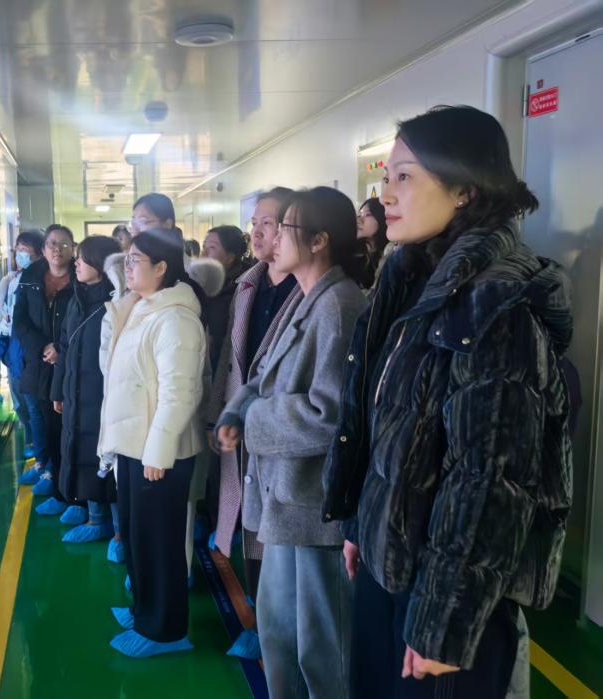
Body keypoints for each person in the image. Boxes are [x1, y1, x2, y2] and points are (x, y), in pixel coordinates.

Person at [322, 105, 573, 698]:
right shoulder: (412, 284)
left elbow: (489, 480)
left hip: (447, 594)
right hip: (396, 564)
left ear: (464, 189)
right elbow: (389, 432)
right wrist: (363, 523)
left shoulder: (496, 306)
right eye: (386, 177)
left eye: (405, 176)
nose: (385, 194)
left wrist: (445, 620)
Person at [215, 188, 366, 696]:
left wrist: (252, 419)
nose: (272, 239)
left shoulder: (339, 306)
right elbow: (264, 375)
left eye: (284, 228)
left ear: (319, 241)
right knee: (279, 636)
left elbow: (329, 416)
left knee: (322, 650)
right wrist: (236, 410)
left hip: (315, 510)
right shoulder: (305, 297)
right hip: (285, 500)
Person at [99, 229, 206, 658]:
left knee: (159, 543)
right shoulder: (141, 308)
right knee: (137, 537)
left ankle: (166, 631)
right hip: (133, 446)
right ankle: (144, 609)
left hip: (159, 452)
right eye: (126, 258)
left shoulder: (175, 319)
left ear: (162, 267)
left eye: (136, 260)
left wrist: (158, 453)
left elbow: (179, 394)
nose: (127, 266)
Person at [205, 186, 297, 660]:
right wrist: (219, 413)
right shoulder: (248, 285)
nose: (257, 233)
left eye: (268, 223)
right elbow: (230, 355)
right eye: (254, 223)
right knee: (247, 526)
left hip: (280, 432)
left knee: (278, 536)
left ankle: (277, 635)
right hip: (241, 424)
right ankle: (262, 624)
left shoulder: (308, 290)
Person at [50, 235, 123, 542]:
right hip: (75, 393)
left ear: (101, 264)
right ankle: (94, 517)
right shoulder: (76, 299)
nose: (76, 262)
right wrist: (58, 390)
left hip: (104, 396)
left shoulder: (118, 303)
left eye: (82, 258)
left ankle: (119, 531)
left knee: (105, 457)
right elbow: (64, 348)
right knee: (80, 452)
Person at [11, 224, 76, 509]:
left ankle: (67, 489)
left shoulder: (81, 277)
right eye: (52, 243)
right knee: (44, 422)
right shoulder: (30, 277)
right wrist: (43, 347)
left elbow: (86, 322)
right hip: (38, 362)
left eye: (63, 244)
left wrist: (61, 349)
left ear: (73, 248)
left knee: (66, 426)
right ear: (44, 249)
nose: (57, 249)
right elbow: (20, 321)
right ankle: (50, 473)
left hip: (69, 363)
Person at [0, 230, 44, 463]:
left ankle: (38, 449)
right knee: (18, 402)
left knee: (33, 403)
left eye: (26, 250)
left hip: (30, 349)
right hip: (12, 347)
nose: (21, 255)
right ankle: (30, 439)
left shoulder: (41, 280)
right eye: (19, 250)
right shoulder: (11, 280)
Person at [202, 224, 253, 373]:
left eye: (212, 247)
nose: (204, 252)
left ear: (230, 257)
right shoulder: (201, 282)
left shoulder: (245, 288)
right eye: (204, 246)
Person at [353, 197, 389, 289]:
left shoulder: (390, 253)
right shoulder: (354, 252)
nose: (359, 220)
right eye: (360, 214)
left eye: (367, 214)